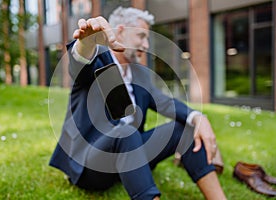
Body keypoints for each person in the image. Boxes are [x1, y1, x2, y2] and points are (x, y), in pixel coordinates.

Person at [49, 7, 226, 200]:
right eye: (141, 36)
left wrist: (198, 117)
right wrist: (86, 43)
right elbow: (79, 64)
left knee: (186, 128)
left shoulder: (140, 74)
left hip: (130, 156)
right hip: (91, 163)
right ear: (121, 31)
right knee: (126, 131)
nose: (146, 44)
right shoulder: (96, 60)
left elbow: (165, 103)